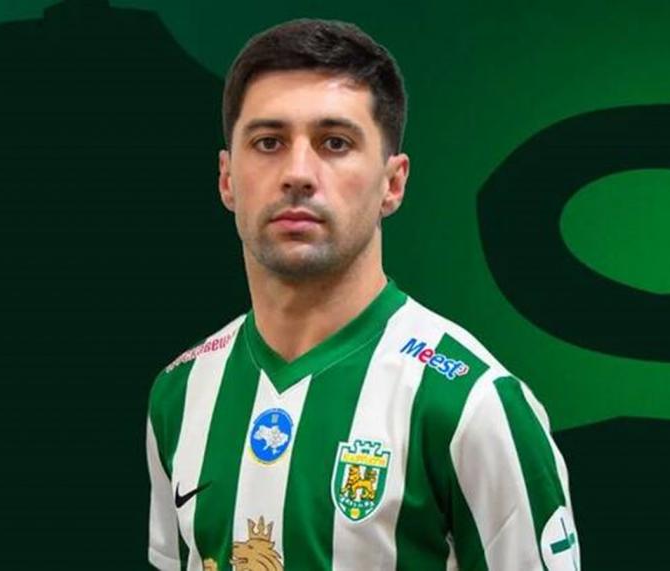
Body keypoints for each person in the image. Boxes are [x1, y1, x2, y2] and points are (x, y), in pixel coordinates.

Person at [146, 18, 579, 571]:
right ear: (227, 178)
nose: (298, 173)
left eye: (335, 143)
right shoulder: (180, 393)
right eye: (268, 142)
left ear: (392, 183)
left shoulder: (471, 403)